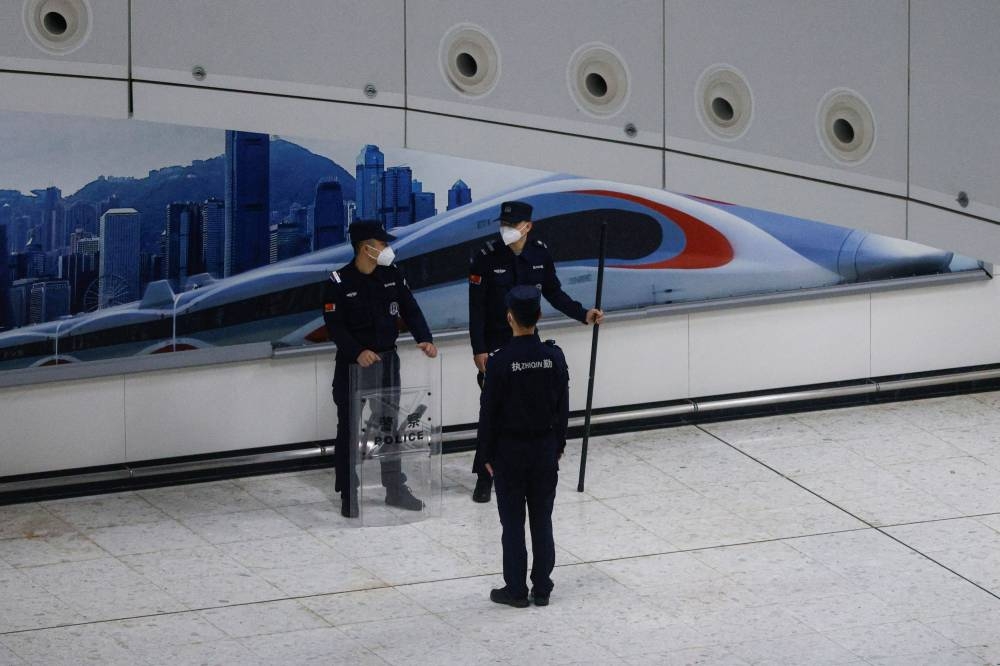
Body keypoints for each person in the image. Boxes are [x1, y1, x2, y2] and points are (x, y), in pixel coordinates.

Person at [468, 200, 603, 503]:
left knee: (529, 405)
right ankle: (484, 475)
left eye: (513, 226)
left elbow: (554, 292)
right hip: (495, 343)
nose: (507, 231)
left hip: (528, 338)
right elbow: (475, 308)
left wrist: (583, 314)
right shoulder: (485, 258)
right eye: (503, 226)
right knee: (492, 409)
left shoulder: (540, 254)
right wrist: (479, 349)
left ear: (527, 226)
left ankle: (526, 465)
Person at [322, 220, 438, 518]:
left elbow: (410, 309)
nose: (388, 249)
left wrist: (424, 338)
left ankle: (394, 488)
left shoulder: (392, 275)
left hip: (386, 363)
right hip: (352, 365)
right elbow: (335, 327)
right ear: (366, 247)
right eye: (383, 244)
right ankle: (349, 490)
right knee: (349, 428)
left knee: (388, 427)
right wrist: (357, 352)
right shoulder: (338, 282)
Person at [476, 285, 569, 608]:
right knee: (542, 519)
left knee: (512, 523)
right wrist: (558, 444)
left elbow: (488, 413)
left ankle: (515, 589)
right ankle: (542, 588)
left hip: (510, 453)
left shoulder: (500, 363)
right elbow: (562, 407)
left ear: (509, 318)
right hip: (544, 448)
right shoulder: (553, 357)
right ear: (539, 316)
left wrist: (484, 456)